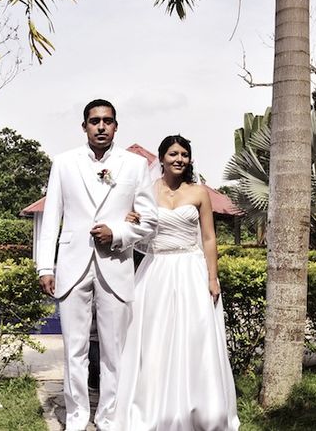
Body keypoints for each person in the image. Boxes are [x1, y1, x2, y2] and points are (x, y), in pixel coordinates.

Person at [36, 99, 158, 431]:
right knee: (73, 348)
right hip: (73, 266)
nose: (101, 126)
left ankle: (109, 416)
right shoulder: (63, 163)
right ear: (84, 126)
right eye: (94, 121)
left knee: (114, 350)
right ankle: (76, 417)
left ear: (116, 126)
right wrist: (45, 266)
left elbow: (149, 222)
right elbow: (52, 220)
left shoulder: (135, 165)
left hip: (116, 264)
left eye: (107, 121)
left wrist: (117, 231)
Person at [115, 135, 240, 431]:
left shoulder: (199, 193)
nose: (179, 159)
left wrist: (212, 277)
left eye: (184, 154)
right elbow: (139, 231)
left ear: (189, 160)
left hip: (191, 269)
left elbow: (209, 237)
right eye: (173, 153)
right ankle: (154, 407)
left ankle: (199, 408)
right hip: (156, 268)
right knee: (154, 338)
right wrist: (131, 220)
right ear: (161, 158)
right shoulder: (145, 191)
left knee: (194, 336)